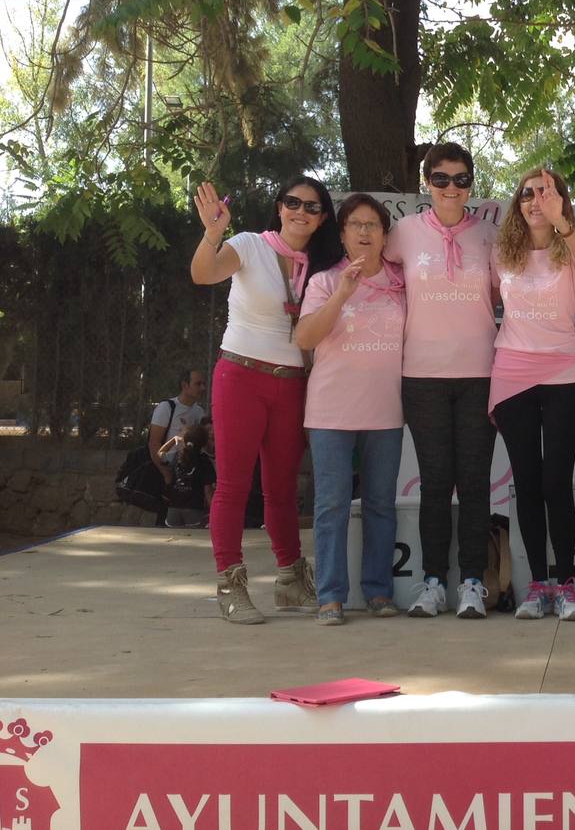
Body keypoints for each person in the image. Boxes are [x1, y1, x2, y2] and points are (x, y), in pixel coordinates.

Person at [190, 176, 342, 625]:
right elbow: (203, 274)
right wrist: (212, 233)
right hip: (241, 375)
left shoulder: (324, 265)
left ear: (323, 218)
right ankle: (230, 585)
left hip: (293, 382)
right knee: (233, 486)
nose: (301, 212)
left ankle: (291, 579)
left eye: (311, 207)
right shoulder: (249, 244)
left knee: (282, 489)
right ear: (279, 208)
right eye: (292, 202)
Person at [384, 143, 499, 619]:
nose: (452, 188)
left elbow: (509, 291)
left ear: (471, 183)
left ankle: (472, 582)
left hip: (480, 374)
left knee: (474, 483)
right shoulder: (403, 233)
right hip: (422, 375)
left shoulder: (490, 235)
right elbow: (375, 274)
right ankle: (432, 582)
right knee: (434, 483)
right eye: (441, 179)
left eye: (461, 179)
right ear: (426, 182)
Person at [489, 168, 575, 621]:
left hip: (564, 372)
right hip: (512, 372)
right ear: (517, 204)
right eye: (527, 194)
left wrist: (561, 222)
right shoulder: (502, 253)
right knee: (527, 483)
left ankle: (566, 586)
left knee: (556, 482)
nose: (535, 201)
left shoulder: (570, 246)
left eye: (546, 193)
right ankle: (536, 586)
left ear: (561, 201)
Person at [296, 193, 406, 627]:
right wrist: (342, 294)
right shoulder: (325, 281)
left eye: (372, 225)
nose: (364, 232)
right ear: (342, 234)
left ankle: (378, 591)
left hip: (385, 410)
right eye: (355, 225)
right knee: (332, 505)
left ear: (384, 235)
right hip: (331, 411)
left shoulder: (402, 282)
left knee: (380, 504)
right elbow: (305, 338)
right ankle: (330, 596)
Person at [147, 369, 207, 526]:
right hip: (168, 470)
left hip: (190, 476)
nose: (203, 388)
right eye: (198, 384)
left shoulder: (199, 411)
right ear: (185, 385)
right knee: (166, 519)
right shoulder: (167, 407)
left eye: (204, 384)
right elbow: (154, 443)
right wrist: (165, 473)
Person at [160, 421, 216, 528]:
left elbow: (160, 454)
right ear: (204, 443)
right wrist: (214, 512)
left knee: (173, 535)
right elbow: (208, 491)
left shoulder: (177, 456)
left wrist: (173, 440)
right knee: (192, 535)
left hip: (174, 507)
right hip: (194, 508)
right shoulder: (205, 462)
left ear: (184, 440)